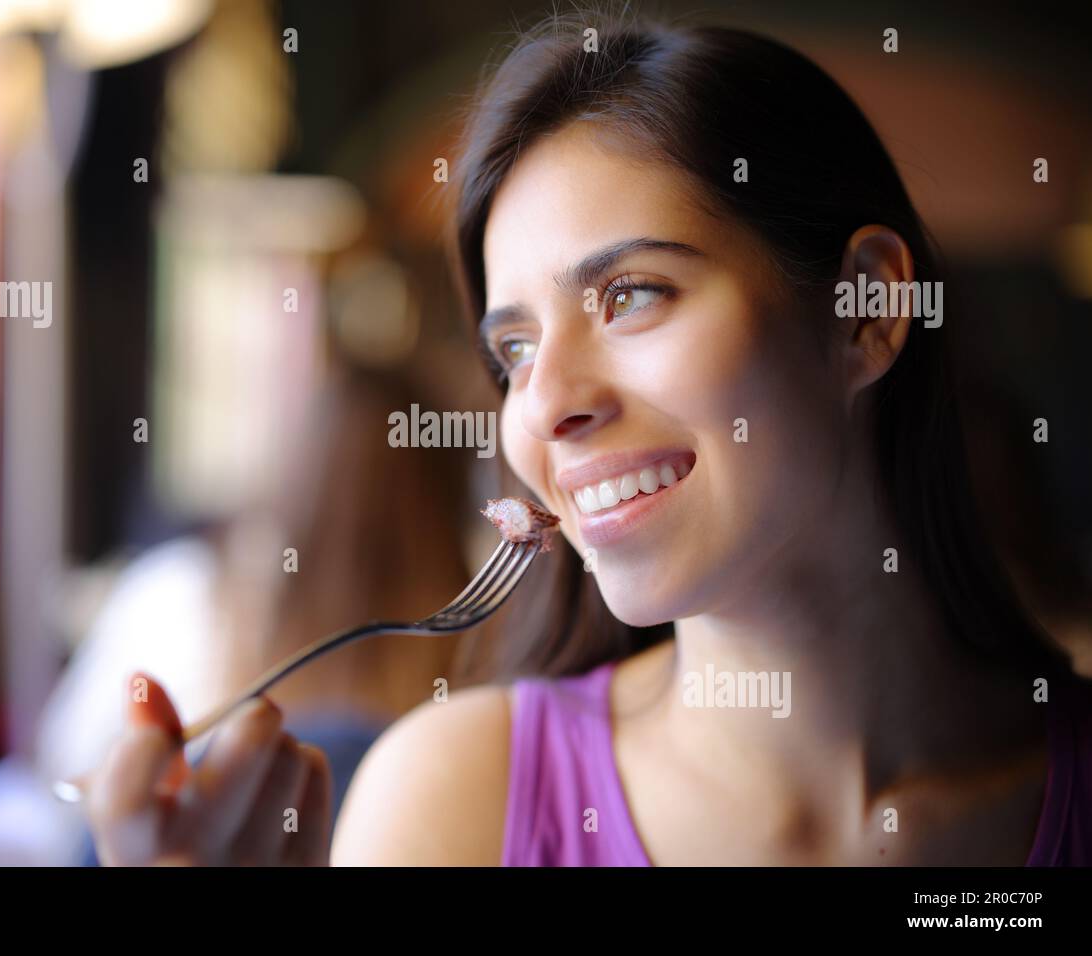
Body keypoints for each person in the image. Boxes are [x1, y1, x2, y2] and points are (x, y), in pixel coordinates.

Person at [83, 14, 1092, 866]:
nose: (545, 405)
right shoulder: (448, 805)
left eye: (630, 295)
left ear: (867, 305)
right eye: (513, 349)